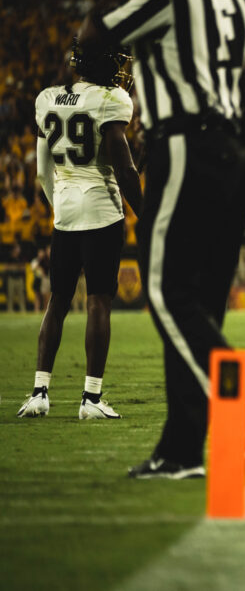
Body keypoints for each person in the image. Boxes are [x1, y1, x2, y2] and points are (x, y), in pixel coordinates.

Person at [79, 0, 245, 478]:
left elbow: (95, 38)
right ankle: (181, 450)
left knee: (164, 290)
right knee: (201, 309)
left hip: (184, 147)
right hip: (232, 159)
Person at [16, 40, 142, 420]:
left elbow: (41, 171)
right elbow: (125, 169)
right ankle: (91, 398)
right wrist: (147, 217)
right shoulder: (111, 100)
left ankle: (39, 392)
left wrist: (62, 205)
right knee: (98, 300)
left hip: (65, 211)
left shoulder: (47, 98)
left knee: (58, 301)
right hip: (102, 209)